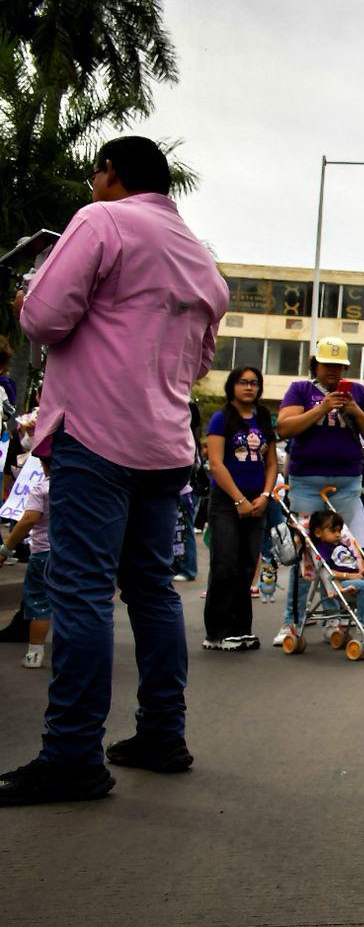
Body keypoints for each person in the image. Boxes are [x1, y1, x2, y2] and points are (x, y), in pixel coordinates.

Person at [0, 136, 228, 807]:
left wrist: (29, 289)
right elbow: (199, 362)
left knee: (81, 593)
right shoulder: (202, 264)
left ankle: (72, 755)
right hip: (164, 444)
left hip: (95, 436)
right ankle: (161, 733)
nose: (91, 184)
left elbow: (44, 319)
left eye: (95, 173)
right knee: (152, 591)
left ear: (111, 173)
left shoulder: (101, 220)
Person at [271, 336, 364, 646]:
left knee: (342, 549)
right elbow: (285, 428)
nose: (333, 370)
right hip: (307, 481)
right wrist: (322, 408)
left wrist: (356, 411)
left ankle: (335, 618)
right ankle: (291, 622)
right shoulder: (300, 390)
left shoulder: (356, 392)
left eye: (339, 365)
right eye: (327, 364)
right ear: (315, 364)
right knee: (306, 551)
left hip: (347, 481)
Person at [202, 366, 277, 651]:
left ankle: (241, 629)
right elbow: (216, 464)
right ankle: (217, 632)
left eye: (254, 383)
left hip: (257, 501)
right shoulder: (222, 419)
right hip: (226, 501)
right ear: (232, 385)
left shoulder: (264, 419)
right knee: (225, 565)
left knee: (246, 567)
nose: (249, 387)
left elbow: (271, 463)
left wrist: (265, 495)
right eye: (243, 382)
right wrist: (238, 500)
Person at [0, 464, 52, 668]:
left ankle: (34, 654)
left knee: (39, 602)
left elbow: (28, 519)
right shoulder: (79, 486)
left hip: (43, 553)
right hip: (72, 554)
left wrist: (5, 550)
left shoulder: (42, 488)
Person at [307, 510, 364, 626]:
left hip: (357, 579)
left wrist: (362, 571)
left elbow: (352, 563)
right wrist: (351, 575)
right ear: (318, 533)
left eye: (339, 531)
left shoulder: (342, 545)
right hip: (343, 583)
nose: (338, 534)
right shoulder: (322, 549)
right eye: (333, 531)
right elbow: (327, 571)